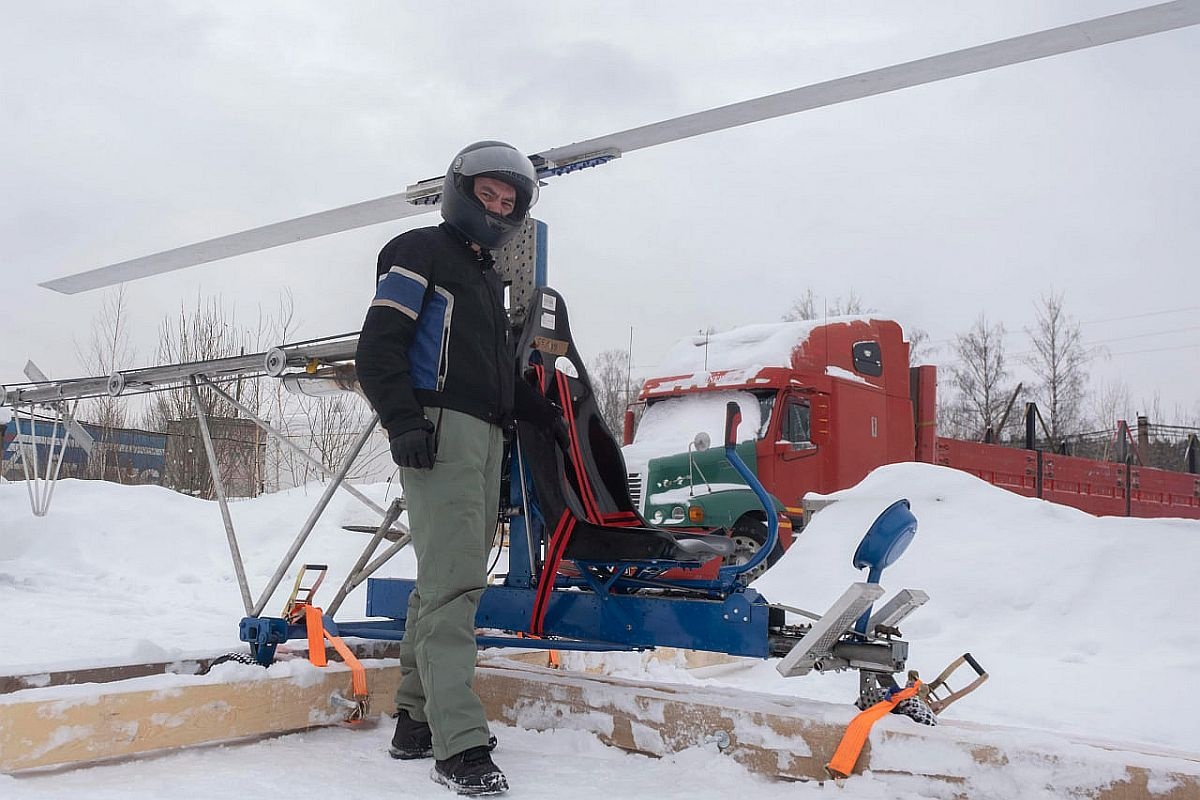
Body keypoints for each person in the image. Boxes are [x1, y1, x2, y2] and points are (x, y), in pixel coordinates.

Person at [355, 141, 560, 796]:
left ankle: (415, 721)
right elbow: (378, 346)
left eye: (510, 202)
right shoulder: (419, 252)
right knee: (455, 585)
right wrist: (403, 421)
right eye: (489, 195)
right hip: (442, 432)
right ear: (459, 190)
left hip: (485, 436)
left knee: (442, 581)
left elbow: (492, 371)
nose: (498, 209)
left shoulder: (484, 276)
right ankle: (460, 745)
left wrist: (541, 411)